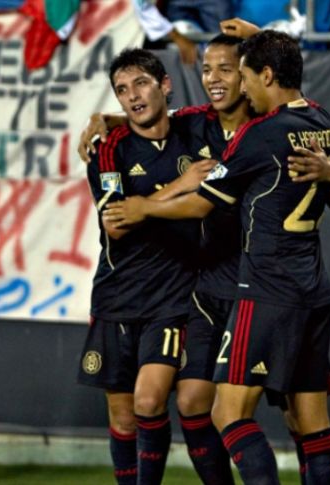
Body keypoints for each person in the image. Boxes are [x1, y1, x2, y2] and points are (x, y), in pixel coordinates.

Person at [104, 30, 330, 484]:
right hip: (304, 286)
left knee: (232, 414)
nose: (220, 79)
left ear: (259, 76)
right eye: (208, 69)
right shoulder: (320, 118)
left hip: (264, 289)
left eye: (235, 71)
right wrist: (107, 120)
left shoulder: (257, 135)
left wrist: (145, 206)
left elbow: (202, 202)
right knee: (307, 420)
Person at [77, 47, 215, 485]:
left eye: (140, 83)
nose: (132, 96)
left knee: (149, 401)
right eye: (121, 90)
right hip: (118, 296)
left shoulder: (195, 128)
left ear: (164, 85)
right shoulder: (109, 149)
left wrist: (151, 202)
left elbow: (225, 104)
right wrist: (182, 183)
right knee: (123, 420)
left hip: (173, 298)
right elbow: (116, 224)